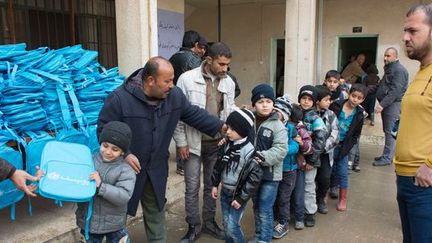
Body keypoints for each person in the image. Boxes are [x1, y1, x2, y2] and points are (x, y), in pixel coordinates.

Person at [97, 56, 225, 243]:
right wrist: (125, 153)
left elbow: (193, 114)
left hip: (155, 169)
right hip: (123, 170)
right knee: (117, 213)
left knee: (156, 211)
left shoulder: (174, 96)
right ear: (150, 81)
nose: (172, 85)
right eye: (167, 81)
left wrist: (222, 127)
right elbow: (103, 129)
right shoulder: (119, 99)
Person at [173, 42, 236, 242]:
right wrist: (181, 142)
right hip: (192, 144)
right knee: (192, 187)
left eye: (228, 65)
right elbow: (178, 114)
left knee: (212, 186)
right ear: (208, 60)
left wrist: (228, 137)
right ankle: (193, 225)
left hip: (217, 144)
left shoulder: (229, 82)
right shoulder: (186, 79)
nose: (225, 69)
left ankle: (209, 222)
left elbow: (229, 113)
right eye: (222, 64)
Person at [395, 4, 432, 242]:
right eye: (404, 31)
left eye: (413, 31)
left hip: (425, 186)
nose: (405, 37)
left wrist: (429, 164)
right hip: (406, 179)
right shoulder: (421, 72)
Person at [75, 121, 136, 242]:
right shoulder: (89, 161)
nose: (108, 152)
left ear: (123, 152)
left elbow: (124, 196)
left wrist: (101, 186)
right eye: (105, 145)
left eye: (115, 149)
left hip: (114, 224)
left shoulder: (126, 171)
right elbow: (74, 180)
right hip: (88, 221)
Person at [211, 108, 262, 243]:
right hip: (225, 192)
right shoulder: (226, 145)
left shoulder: (249, 151)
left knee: (233, 226)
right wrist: (215, 184)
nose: (228, 131)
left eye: (232, 129)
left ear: (243, 131)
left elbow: (254, 179)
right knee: (226, 224)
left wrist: (241, 198)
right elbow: (218, 166)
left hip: (238, 195)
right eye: (228, 128)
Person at [249, 84, 287, 243]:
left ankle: (264, 239)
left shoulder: (277, 125)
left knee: (265, 208)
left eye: (268, 101)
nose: (264, 105)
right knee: (256, 206)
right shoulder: (248, 121)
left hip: (270, 175)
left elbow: (281, 149)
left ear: (273, 104)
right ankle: (258, 234)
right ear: (254, 104)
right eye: (260, 101)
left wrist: (262, 157)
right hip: (251, 173)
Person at [169, 30, 208, 176]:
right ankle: (184, 165)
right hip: (189, 100)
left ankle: (180, 164)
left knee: (178, 129)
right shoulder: (194, 60)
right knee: (188, 133)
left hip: (173, 98)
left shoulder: (173, 57)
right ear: (196, 44)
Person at [329, 84, 367, 211]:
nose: (355, 99)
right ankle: (323, 194)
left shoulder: (360, 114)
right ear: (349, 94)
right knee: (328, 169)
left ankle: (343, 198)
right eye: (353, 96)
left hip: (344, 146)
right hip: (330, 144)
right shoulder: (336, 105)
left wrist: (349, 146)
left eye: (359, 98)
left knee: (343, 172)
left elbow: (356, 134)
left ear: (363, 100)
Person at [372, 47, 409, 167]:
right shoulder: (390, 69)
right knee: (387, 131)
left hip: (393, 105)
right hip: (388, 104)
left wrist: (382, 104)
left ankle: (387, 158)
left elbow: (395, 91)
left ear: (395, 56)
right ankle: (386, 155)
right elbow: (381, 85)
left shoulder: (399, 70)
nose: (385, 58)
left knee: (390, 132)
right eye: (385, 55)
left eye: (388, 56)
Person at [297, 85, 327, 227]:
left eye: (310, 99)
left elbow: (320, 142)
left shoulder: (316, 119)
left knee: (308, 186)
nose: (306, 101)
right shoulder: (295, 114)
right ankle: (297, 210)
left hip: (310, 161)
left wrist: (312, 161)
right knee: (296, 186)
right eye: (303, 98)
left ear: (314, 102)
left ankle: (310, 212)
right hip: (295, 159)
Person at [271, 96, 300, 239]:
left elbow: (296, 146)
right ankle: (274, 220)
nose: (276, 113)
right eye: (274, 110)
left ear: (286, 114)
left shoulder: (290, 128)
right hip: (273, 170)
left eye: (279, 111)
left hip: (289, 170)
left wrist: (282, 150)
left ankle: (283, 222)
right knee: (273, 196)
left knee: (284, 197)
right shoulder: (269, 125)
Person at [314, 85, 339, 214]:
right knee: (310, 180)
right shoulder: (309, 114)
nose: (329, 102)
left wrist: (322, 147)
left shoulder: (331, 115)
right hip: (310, 153)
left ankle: (321, 199)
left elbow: (335, 134)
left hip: (324, 153)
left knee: (324, 179)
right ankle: (310, 202)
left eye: (330, 99)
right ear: (317, 100)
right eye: (326, 99)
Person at [290, 103, 313, 230]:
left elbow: (310, 148)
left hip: (298, 166)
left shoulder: (301, 129)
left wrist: (301, 143)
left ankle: (299, 218)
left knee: (298, 194)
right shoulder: (281, 127)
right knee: (284, 195)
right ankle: (285, 216)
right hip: (285, 167)